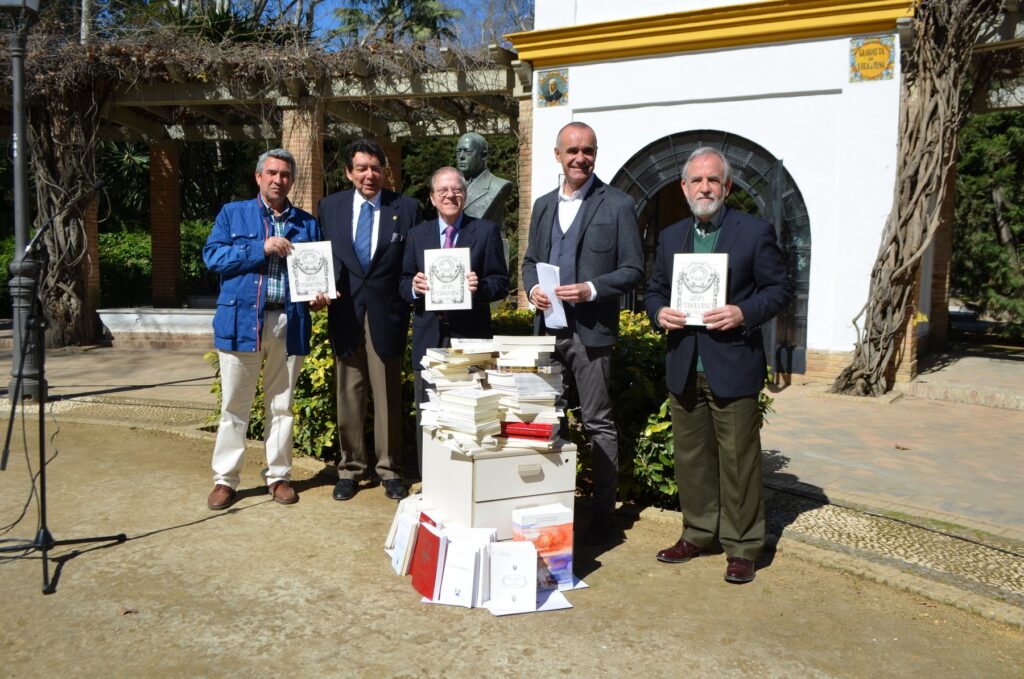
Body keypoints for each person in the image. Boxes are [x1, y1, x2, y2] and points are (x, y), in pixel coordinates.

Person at [644, 147, 791, 584]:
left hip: (733, 362)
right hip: (685, 363)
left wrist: (742, 312)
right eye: (696, 181)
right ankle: (698, 531)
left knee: (739, 460)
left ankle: (743, 546)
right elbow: (654, 291)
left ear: (726, 187)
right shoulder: (673, 237)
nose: (704, 187)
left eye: (713, 180)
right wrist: (658, 313)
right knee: (691, 458)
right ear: (684, 187)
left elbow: (779, 290)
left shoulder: (754, 231)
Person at [521, 122, 644, 545]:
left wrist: (591, 289)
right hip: (548, 332)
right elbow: (530, 262)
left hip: (591, 334)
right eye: (572, 150)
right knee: (548, 420)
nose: (580, 158)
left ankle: (602, 513)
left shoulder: (619, 204)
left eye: (587, 151)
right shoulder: (541, 206)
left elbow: (633, 269)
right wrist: (534, 289)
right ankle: (551, 502)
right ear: (557, 154)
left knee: (598, 422)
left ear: (595, 154)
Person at [203, 148, 326, 510]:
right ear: (258, 177)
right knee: (234, 406)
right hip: (242, 321)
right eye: (271, 173)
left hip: (290, 322)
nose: (278, 180)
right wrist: (262, 248)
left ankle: (278, 476)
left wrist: (319, 296)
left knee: (282, 405)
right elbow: (213, 257)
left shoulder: (307, 223)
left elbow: (314, 274)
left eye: (285, 174)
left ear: (292, 180)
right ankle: (225, 480)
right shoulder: (233, 213)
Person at [318, 139, 421, 502]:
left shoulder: (406, 208)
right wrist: (316, 289)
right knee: (349, 392)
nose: (369, 174)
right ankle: (349, 469)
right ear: (348, 172)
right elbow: (322, 258)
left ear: (384, 171)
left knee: (387, 393)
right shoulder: (329, 207)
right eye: (361, 168)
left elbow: (413, 260)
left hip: (386, 313)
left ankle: (390, 469)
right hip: (345, 311)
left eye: (375, 167)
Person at [400, 166, 509, 470]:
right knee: (429, 408)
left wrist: (480, 287)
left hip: (470, 334)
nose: (450, 195)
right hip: (429, 334)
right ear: (432, 198)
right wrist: (414, 287)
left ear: (465, 195)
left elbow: (501, 282)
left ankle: (465, 475)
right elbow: (403, 280)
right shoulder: (417, 234)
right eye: (443, 191)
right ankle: (430, 475)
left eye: (457, 190)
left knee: (469, 408)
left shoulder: (485, 231)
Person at [455, 132, 513, 226]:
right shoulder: (450, 187)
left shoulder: (498, 186)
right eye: (458, 151)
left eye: (468, 151)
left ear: (484, 155)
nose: (461, 156)